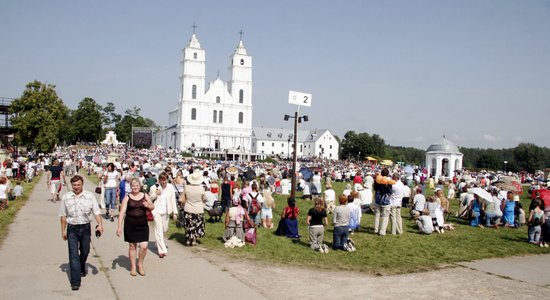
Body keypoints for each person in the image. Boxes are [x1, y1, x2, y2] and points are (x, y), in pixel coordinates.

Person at [59, 175, 104, 290]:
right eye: (74, 185)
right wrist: (63, 230)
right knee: (73, 255)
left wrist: (100, 225)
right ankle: (75, 281)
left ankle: (82, 265)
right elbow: (63, 215)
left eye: (78, 185)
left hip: (85, 228)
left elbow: (96, 211)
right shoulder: (66, 197)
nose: (76, 187)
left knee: (85, 251)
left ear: (82, 184)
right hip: (72, 228)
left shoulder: (89, 196)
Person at [116, 178, 154, 276]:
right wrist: (119, 227)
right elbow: (122, 213)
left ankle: (140, 264)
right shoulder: (127, 197)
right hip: (130, 225)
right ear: (131, 187)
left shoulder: (145, 195)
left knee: (144, 246)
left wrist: (147, 205)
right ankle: (133, 266)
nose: (135, 187)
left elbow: (152, 206)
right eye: (133, 186)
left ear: (140, 186)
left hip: (143, 225)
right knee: (132, 246)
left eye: (137, 185)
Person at [149, 172, 179, 258]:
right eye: (162, 181)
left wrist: (175, 212)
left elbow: (173, 200)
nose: (163, 183)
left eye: (165, 181)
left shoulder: (170, 187)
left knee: (164, 229)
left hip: (166, 211)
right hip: (157, 211)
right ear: (159, 181)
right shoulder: (154, 187)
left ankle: (157, 242)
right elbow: (150, 198)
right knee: (158, 230)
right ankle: (162, 250)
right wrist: (156, 194)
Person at [181, 169, 207, 246]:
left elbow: (183, 197)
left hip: (188, 208)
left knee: (189, 225)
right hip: (198, 209)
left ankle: (189, 239)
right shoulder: (201, 188)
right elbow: (205, 199)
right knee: (197, 225)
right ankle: (194, 240)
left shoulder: (187, 187)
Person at [373, 168, 395, 236]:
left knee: (377, 215)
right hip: (385, 200)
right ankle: (382, 231)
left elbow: (375, 188)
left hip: (378, 199)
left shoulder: (377, 180)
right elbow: (390, 192)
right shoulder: (388, 182)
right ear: (387, 174)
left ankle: (376, 229)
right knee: (385, 216)